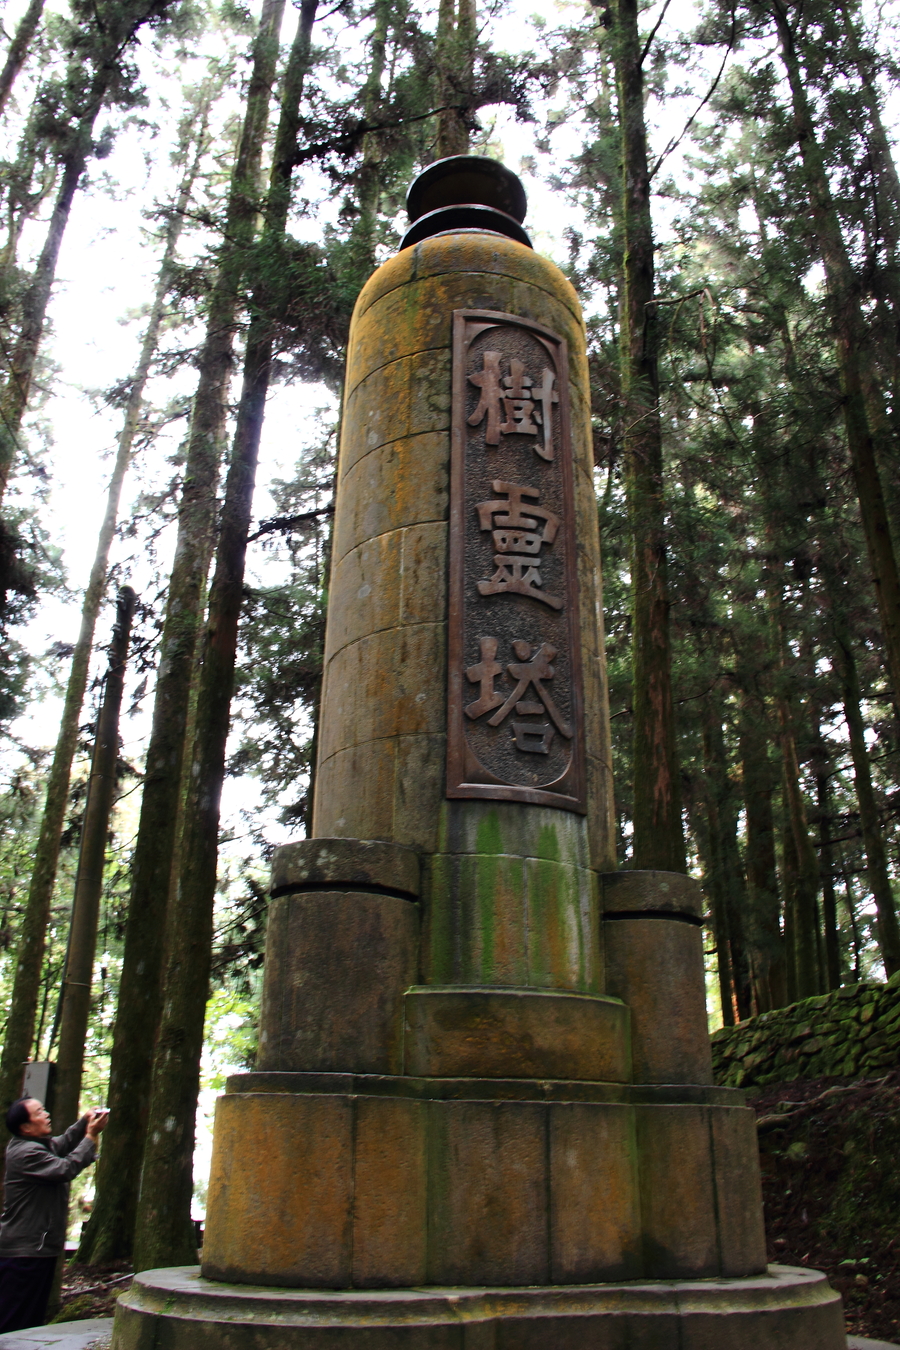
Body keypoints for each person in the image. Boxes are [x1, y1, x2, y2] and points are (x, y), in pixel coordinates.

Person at [0, 1097, 108, 1333]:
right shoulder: (26, 1153)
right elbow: (65, 1168)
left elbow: (62, 1144)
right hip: (25, 1251)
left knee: (30, 1317)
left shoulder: (36, 1145)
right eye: (40, 1112)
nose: (46, 1114)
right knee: (17, 1320)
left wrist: (83, 1122)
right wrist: (90, 1136)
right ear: (26, 1127)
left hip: (36, 1248)